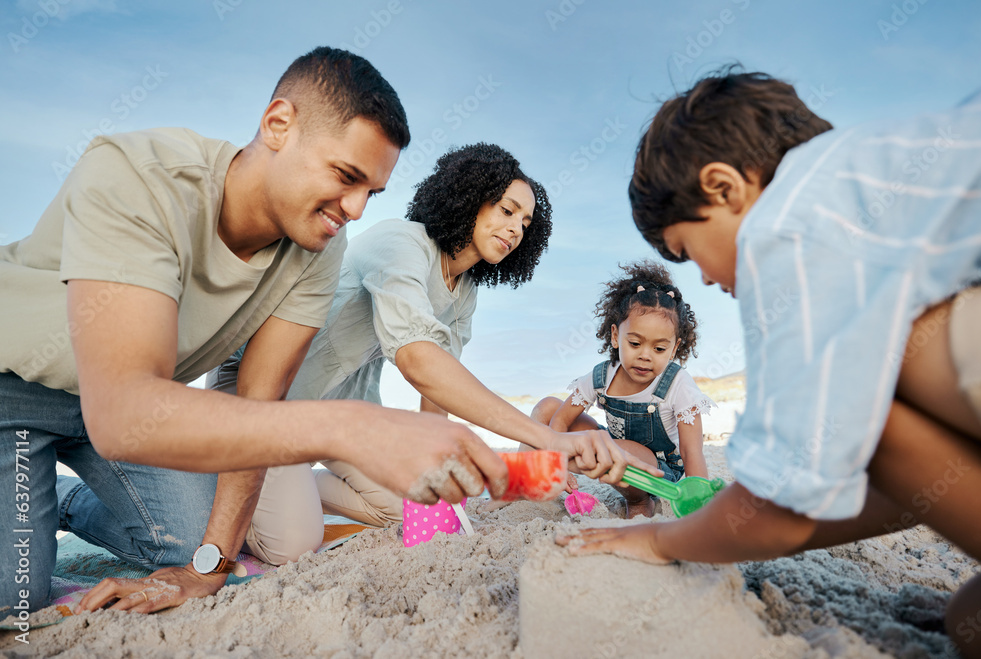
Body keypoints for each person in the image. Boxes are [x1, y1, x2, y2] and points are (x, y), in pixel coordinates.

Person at [0, 46, 511, 616]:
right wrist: (350, 428)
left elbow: (259, 397)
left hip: (137, 416)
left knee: (210, 540)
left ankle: (64, 499)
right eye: (346, 176)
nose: (358, 208)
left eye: (372, 190)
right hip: (17, 391)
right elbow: (122, 412)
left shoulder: (321, 244)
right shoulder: (137, 175)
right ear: (278, 125)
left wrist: (206, 569)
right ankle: (38, 487)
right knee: (14, 595)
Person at [557, 69, 981, 658]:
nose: (709, 280)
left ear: (724, 188)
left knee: (868, 386)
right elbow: (897, 494)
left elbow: (785, 506)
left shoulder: (786, 224)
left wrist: (663, 541)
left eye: (690, 253)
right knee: (976, 624)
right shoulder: (870, 181)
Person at [209, 144, 657, 564]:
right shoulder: (400, 243)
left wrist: (445, 472)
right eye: (506, 210)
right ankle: (256, 485)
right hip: (264, 396)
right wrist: (551, 440)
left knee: (405, 505)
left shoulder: (463, 293)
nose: (516, 229)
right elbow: (420, 362)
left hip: (336, 414)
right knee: (291, 545)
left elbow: (438, 396)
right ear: (468, 198)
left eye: (525, 222)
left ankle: (293, 485)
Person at [532, 260, 714, 518]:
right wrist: (556, 463)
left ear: (674, 349)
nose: (645, 356)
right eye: (636, 343)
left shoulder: (678, 384)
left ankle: (640, 503)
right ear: (616, 336)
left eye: (659, 349)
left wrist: (699, 498)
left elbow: (691, 451)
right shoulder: (602, 376)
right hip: (613, 448)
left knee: (617, 451)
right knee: (548, 407)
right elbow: (560, 420)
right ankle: (530, 478)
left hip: (658, 470)